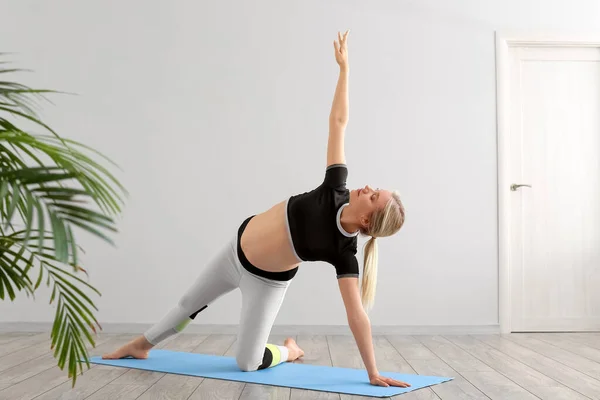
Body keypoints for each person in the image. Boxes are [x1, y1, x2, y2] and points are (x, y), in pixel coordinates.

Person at [103, 30, 408, 389]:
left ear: (368, 219)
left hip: (267, 283)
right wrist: (344, 70)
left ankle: (288, 351)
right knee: (189, 303)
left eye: (374, 196)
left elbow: (357, 315)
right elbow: (338, 122)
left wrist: (372, 372)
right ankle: (141, 345)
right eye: (375, 188)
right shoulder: (335, 187)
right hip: (236, 250)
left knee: (247, 363)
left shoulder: (344, 252)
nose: (369, 188)